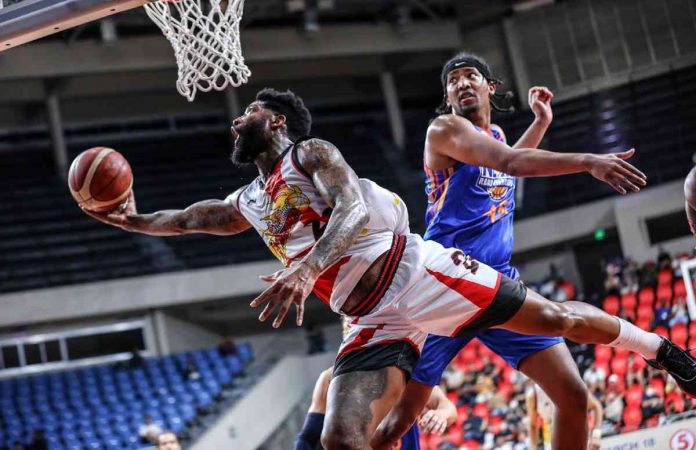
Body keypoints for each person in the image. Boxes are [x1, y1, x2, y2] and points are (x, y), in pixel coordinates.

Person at [83, 88, 696, 450]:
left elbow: (349, 207)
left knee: (556, 318)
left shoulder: (310, 153)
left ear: (274, 121)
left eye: (246, 112)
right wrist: (128, 220)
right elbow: (188, 219)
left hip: (416, 271)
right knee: (339, 439)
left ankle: (659, 350)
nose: (235, 120)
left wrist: (308, 268)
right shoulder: (248, 201)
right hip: (371, 318)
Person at [372, 52, 644, 450]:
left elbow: (507, 162)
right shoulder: (444, 131)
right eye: (454, 81)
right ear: (447, 96)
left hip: (500, 287)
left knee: (573, 396)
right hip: (445, 288)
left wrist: (541, 122)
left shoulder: (496, 137)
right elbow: (512, 164)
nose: (462, 83)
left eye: (471, 76)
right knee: (400, 418)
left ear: (489, 87)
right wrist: (587, 160)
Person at [294, 365, 457, 450]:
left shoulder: (407, 372)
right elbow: (309, 435)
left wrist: (441, 415)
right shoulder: (331, 378)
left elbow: (448, 408)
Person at [526, 383, 603, 450]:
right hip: (551, 442)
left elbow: (596, 406)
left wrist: (596, 435)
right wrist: (533, 448)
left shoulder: (569, 381)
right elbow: (533, 425)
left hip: (577, 438)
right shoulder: (533, 395)